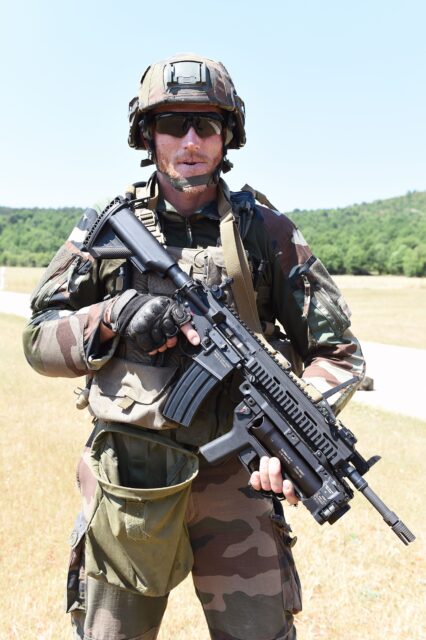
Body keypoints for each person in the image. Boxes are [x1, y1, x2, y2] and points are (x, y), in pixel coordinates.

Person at [23, 53, 365, 640]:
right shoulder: (111, 227)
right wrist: (115, 315)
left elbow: (339, 355)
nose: (190, 140)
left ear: (227, 135)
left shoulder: (266, 231)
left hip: (240, 478)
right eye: (173, 123)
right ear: (146, 133)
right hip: (131, 476)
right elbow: (38, 337)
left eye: (206, 125)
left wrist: (293, 428)